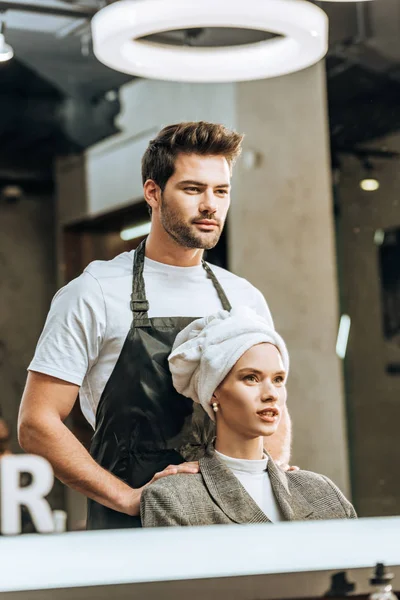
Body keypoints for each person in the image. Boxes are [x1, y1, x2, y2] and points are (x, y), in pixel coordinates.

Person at [18, 121, 292, 530]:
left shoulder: (242, 298)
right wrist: (129, 499)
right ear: (153, 192)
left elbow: (275, 408)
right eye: (193, 189)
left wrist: (271, 478)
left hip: (232, 527)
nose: (210, 205)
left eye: (221, 191)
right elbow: (36, 424)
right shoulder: (94, 292)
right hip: (132, 533)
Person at [140, 308, 356, 527]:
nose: (271, 393)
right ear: (213, 391)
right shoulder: (172, 498)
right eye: (251, 378)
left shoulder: (323, 493)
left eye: (278, 379)